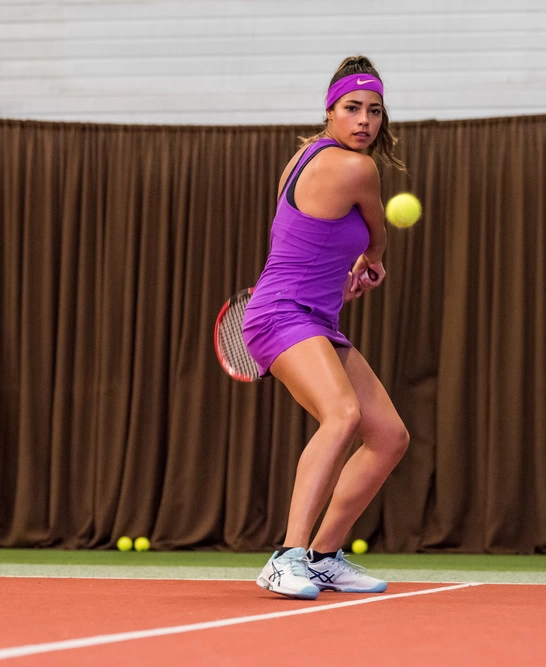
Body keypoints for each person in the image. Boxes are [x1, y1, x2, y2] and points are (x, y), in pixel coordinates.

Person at [241, 55, 410, 600]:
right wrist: (373, 260)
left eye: (374, 111)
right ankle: (286, 557)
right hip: (279, 313)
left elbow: (305, 248)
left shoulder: (303, 157)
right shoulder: (357, 169)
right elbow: (377, 239)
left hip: (311, 314)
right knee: (343, 415)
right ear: (330, 110)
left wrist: (342, 282)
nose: (364, 120)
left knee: (388, 437)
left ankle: (322, 558)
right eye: (352, 108)